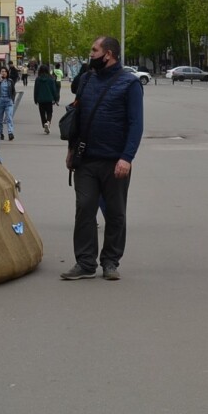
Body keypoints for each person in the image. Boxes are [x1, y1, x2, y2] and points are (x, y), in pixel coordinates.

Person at [61, 36, 143, 282]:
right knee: (84, 209)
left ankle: (110, 262)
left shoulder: (130, 84)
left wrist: (126, 158)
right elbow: (77, 118)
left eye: (94, 50)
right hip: (85, 160)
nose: (91, 54)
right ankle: (85, 263)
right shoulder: (86, 80)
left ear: (108, 54)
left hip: (115, 162)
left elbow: (135, 124)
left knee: (116, 213)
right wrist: (70, 149)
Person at [34, 63, 60, 134]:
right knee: (49, 112)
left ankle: (44, 124)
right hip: (49, 99)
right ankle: (48, 122)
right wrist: (56, 99)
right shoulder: (51, 79)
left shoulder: (38, 79)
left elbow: (36, 90)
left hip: (40, 99)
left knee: (42, 113)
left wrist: (35, 99)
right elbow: (54, 90)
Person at [0, 66, 17, 142]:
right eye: (2, 71)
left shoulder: (10, 81)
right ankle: (1, 133)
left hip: (8, 101)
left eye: (5, 71)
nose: (4, 73)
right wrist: (0, 80)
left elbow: (13, 91)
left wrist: (12, 99)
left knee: (9, 117)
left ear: (7, 73)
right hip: (0, 101)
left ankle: (10, 133)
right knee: (0, 118)